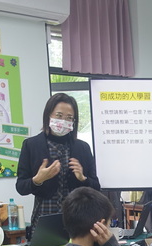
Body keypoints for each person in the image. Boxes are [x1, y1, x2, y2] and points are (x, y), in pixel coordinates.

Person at [16, 93, 100, 234]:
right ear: (48, 115)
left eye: (69, 118)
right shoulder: (31, 145)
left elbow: (96, 187)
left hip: (79, 218)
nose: (63, 121)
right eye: (59, 116)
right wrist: (37, 180)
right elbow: (21, 187)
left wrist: (83, 179)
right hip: (45, 217)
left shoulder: (83, 148)